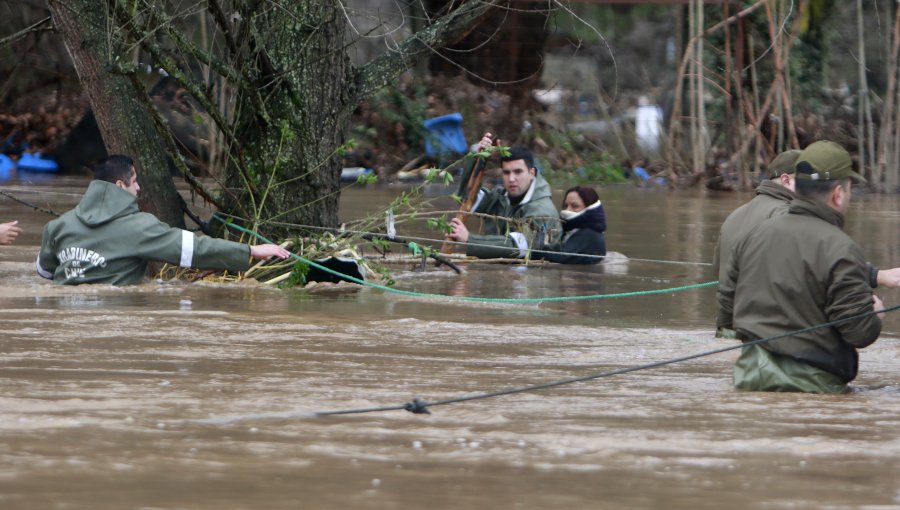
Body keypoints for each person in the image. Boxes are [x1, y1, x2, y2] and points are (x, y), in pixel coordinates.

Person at [717, 141, 884, 393]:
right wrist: (875, 314)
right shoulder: (840, 247)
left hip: (748, 377)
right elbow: (860, 334)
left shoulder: (753, 235)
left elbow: (727, 316)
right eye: (850, 191)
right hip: (814, 386)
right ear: (838, 194)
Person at [36, 155, 289, 285]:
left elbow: (44, 272)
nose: (138, 188)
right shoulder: (139, 228)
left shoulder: (58, 227)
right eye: (135, 181)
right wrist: (251, 250)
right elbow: (194, 249)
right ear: (120, 185)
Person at [446, 133, 561, 259]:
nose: (511, 179)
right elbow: (466, 199)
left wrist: (469, 239)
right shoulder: (500, 197)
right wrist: (477, 157)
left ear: (531, 173)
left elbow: (519, 247)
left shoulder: (542, 211)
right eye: (506, 172)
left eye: (518, 172)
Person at [543, 185, 606, 264]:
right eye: (565, 206)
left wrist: (529, 251)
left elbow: (560, 256)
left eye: (575, 206)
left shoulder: (590, 234)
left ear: (589, 208)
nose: (567, 210)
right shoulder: (570, 229)